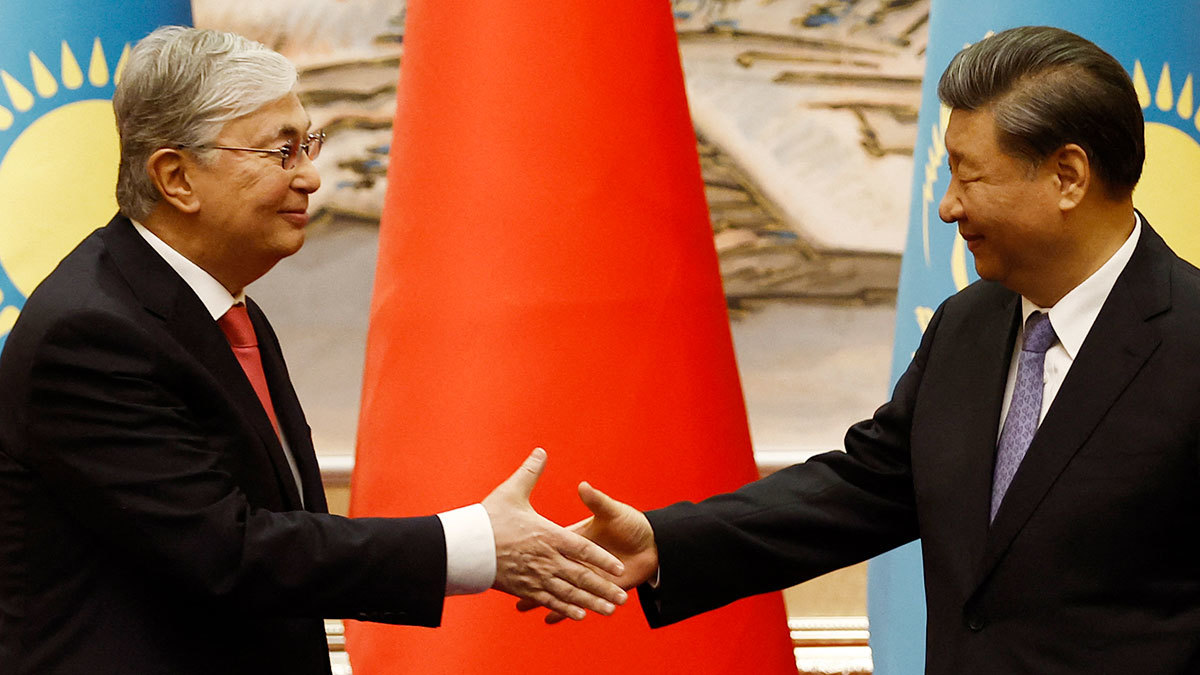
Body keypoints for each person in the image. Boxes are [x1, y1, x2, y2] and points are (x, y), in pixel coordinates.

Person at [530, 25, 1200, 674]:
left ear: (1068, 176)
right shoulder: (967, 324)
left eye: (968, 177)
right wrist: (664, 541)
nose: (947, 207)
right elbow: (863, 488)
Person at [0, 26, 626, 675]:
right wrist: (476, 545)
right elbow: (229, 553)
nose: (311, 177)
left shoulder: (224, 307)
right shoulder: (89, 333)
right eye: (282, 152)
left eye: (309, 145)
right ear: (177, 178)